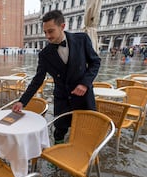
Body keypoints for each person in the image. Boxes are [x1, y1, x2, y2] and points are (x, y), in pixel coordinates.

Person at [12, 10, 100, 144]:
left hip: (83, 97)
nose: (47, 36)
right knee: (59, 130)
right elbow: (37, 80)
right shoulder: (44, 54)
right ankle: (57, 156)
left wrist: (84, 83)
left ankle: (83, 156)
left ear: (62, 26)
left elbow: (95, 62)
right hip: (62, 98)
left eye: (51, 31)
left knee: (86, 129)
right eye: (45, 32)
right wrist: (22, 101)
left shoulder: (82, 39)